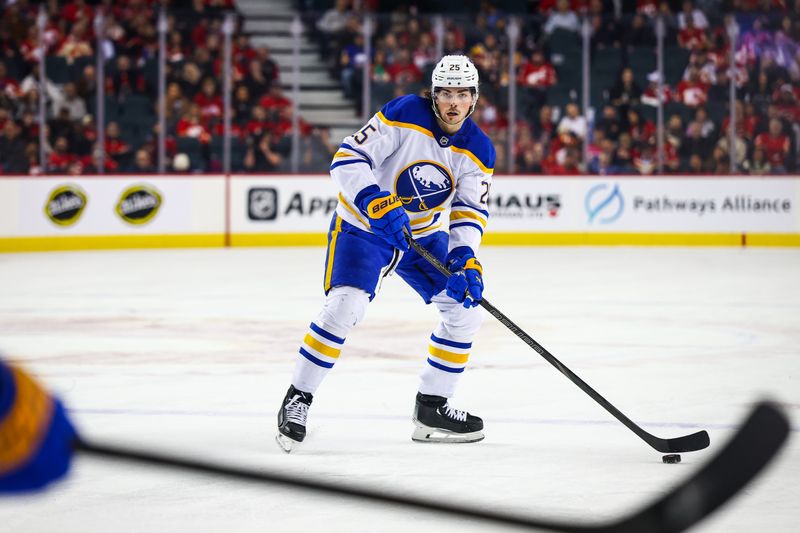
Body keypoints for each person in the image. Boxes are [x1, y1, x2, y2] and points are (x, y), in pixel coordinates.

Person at [276, 55, 495, 452]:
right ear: (434, 93)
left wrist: (466, 258)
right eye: (446, 92)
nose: (453, 102)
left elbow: (469, 212)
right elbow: (347, 158)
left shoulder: (479, 149)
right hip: (365, 228)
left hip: (423, 238)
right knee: (346, 305)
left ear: (474, 98)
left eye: (462, 94)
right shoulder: (404, 112)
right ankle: (298, 397)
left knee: (465, 311)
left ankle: (432, 409)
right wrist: (375, 201)